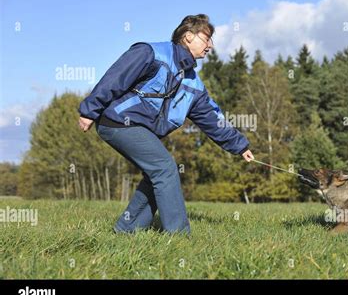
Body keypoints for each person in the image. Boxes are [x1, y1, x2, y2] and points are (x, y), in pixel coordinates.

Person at [77, 14, 254, 235]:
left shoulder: (193, 84)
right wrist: (89, 110)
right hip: (118, 121)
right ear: (188, 37)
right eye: (207, 38)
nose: (211, 45)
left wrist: (240, 146)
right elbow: (116, 77)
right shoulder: (151, 53)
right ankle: (179, 237)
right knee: (165, 169)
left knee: (157, 174)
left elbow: (212, 119)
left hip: (140, 130)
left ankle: (126, 230)